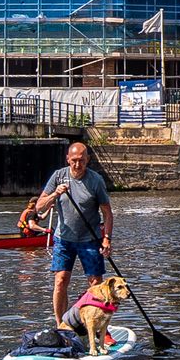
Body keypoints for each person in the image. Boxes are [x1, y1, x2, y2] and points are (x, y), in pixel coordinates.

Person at [22, 139, 113, 324]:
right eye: (74, 161)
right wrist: (55, 194)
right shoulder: (58, 176)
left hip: (90, 239)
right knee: (60, 281)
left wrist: (107, 239)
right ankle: (61, 325)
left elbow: (107, 213)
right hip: (64, 239)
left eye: (82, 160)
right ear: (68, 159)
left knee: (96, 284)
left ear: (88, 159)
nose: (78, 165)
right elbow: (39, 207)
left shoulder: (96, 180)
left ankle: (97, 326)